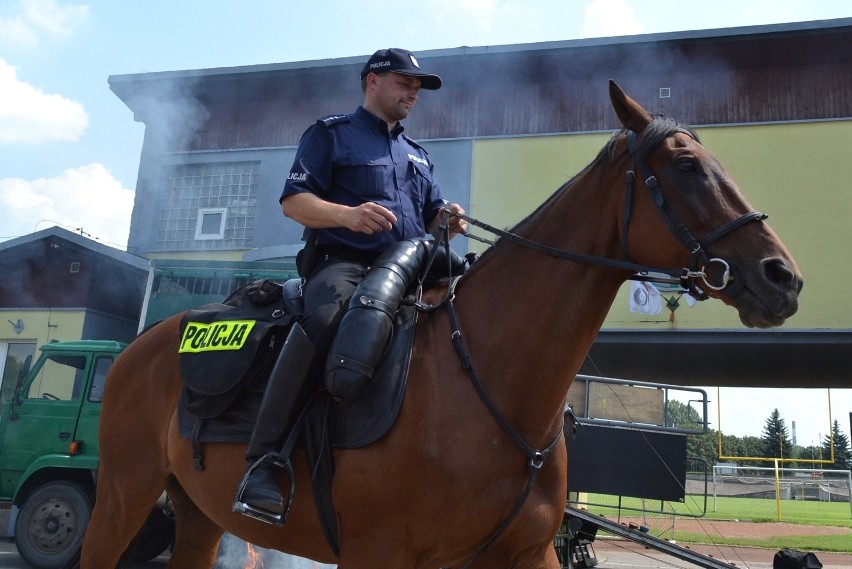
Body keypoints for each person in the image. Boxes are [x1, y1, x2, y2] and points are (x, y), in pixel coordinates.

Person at [235, 48, 468, 522]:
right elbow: (294, 203)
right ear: (373, 82)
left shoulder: (418, 156)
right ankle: (263, 462)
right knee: (322, 320)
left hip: (412, 269)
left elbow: (430, 218)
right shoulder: (330, 134)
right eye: (405, 81)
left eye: (418, 86)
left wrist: (449, 220)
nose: (414, 92)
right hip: (347, 267)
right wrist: (347, 215)